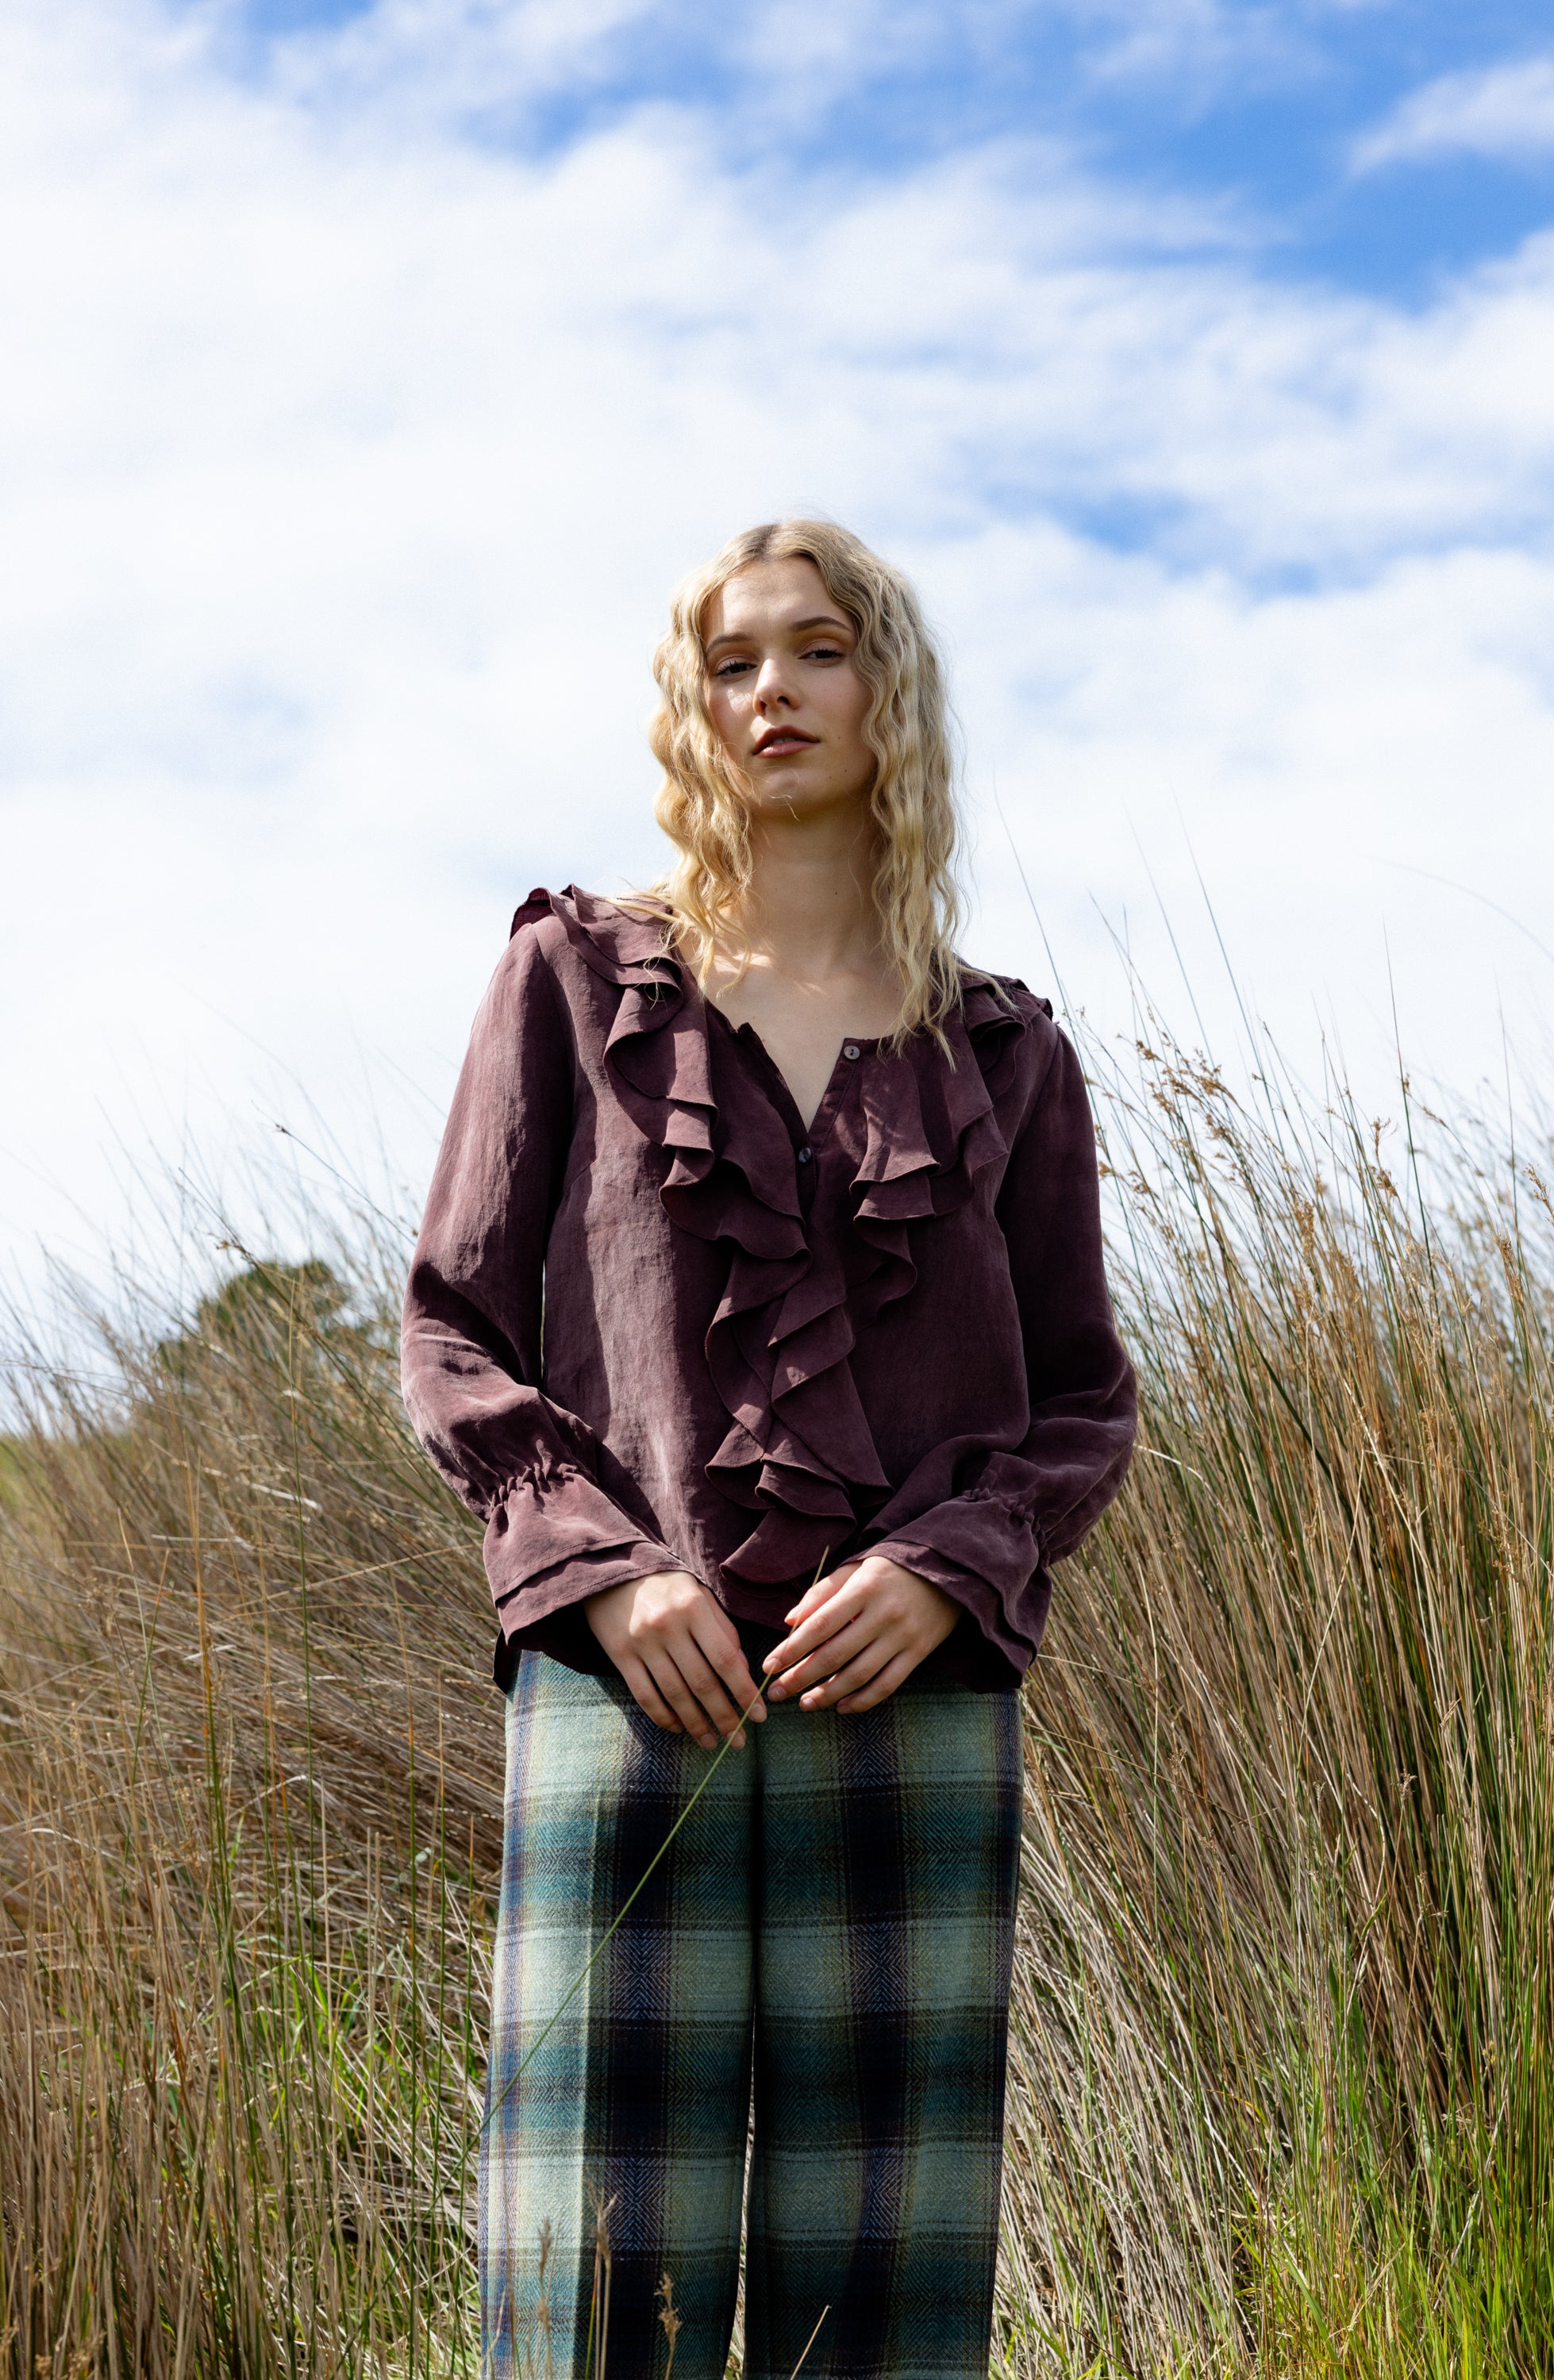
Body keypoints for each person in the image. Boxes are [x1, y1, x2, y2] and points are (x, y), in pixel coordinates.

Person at [402, 520, 1137, 2379]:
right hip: (625, 1687)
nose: (771, 693)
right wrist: (601, 1571)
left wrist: (946, 1568)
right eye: (729, 662)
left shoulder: (1007, 1058)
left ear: (887, 690)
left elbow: (1080, 1398)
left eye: (816, 649)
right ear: (691, 709)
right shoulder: (574, 984)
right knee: (592, 2279)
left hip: (911, 1704)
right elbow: (453, 1329)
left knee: (879, 2291)